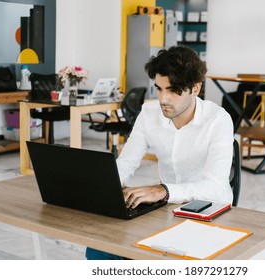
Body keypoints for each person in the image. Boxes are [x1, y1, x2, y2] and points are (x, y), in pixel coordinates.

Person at [86, 46, 234, 260]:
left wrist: (163, 191)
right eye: (159, 88)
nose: (163, 98)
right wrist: (105, 186)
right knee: (100, 249)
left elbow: (216, 186)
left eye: (173, 90)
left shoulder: (218, 120)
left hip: (209, 211)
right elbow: (126, 163)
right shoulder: (148, 114)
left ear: (195, 88)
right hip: (167, 209)